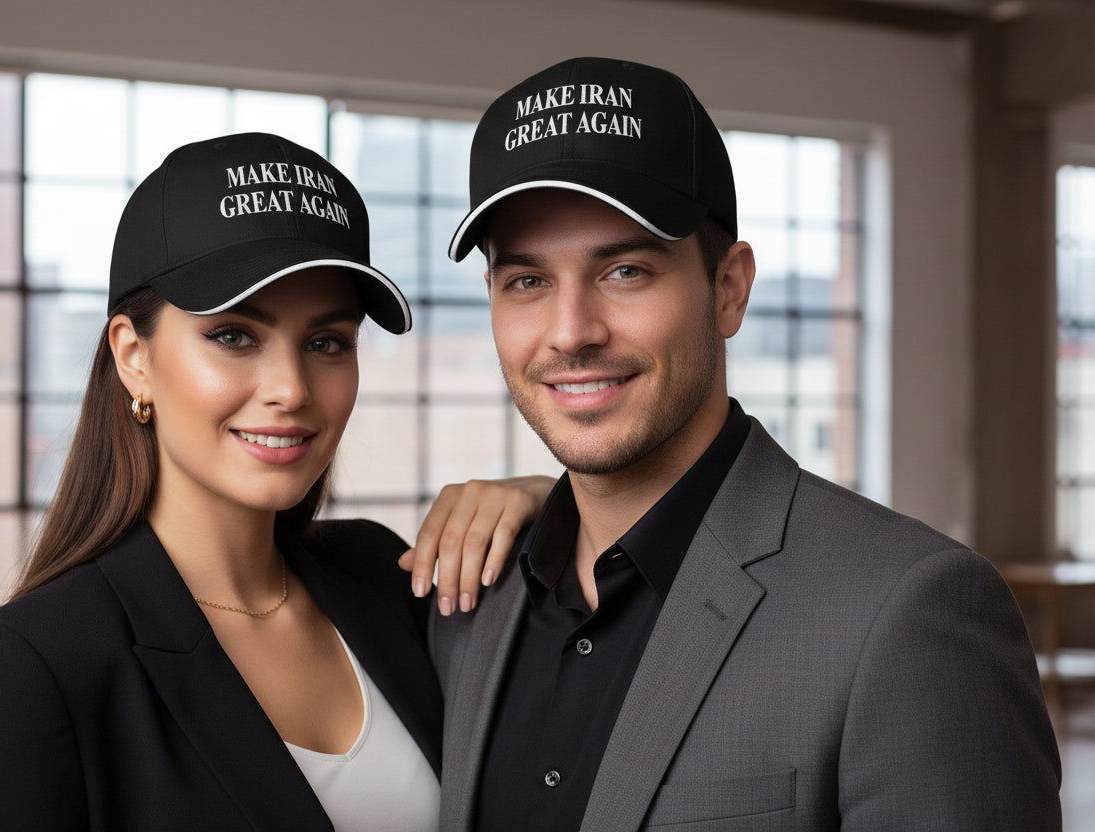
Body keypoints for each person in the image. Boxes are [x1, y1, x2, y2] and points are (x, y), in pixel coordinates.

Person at [429, 57, 1062, 831]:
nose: (571, 333)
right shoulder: (465, 603)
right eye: (527, 282)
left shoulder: (909, 613)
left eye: (625, 270)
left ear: (728, 288)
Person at [0, 131, 549, 831]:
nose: (290, 388)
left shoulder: (380, 572)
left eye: (326, 343)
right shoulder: (26, 668)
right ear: (133, 357)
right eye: (234, 336)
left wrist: (550, 502)